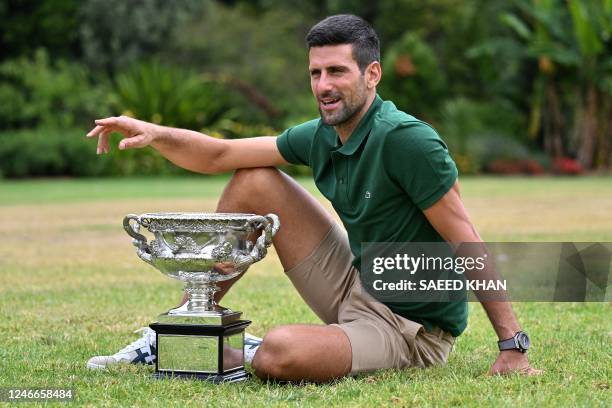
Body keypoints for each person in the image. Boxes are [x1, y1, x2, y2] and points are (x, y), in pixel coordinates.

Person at [85, 14, 541, 381]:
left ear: (372, 74)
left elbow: (466, 240)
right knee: (255, 179)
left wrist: (511, 344)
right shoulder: (323, 133)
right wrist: (154, 132)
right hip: (357, 281)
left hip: (408, 329)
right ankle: (189, 325)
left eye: (337, 71)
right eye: (316, 73)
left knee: (279, 355)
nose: (324, 85)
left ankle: (229, 346)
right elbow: (220, 154)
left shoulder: (407, 140)